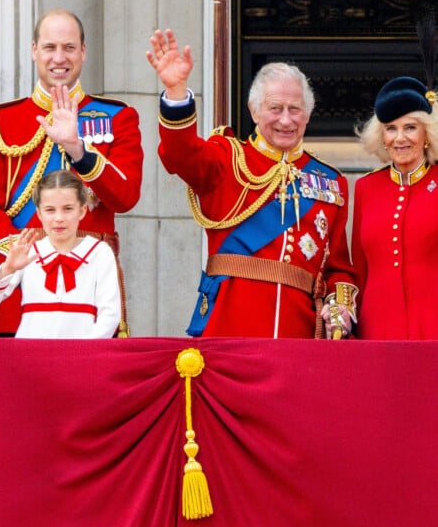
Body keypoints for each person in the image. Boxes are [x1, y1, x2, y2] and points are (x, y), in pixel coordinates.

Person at [146, 28, 357, 339]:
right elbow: (180, 154)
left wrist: (340, 307)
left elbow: (338, 268)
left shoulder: (331, 182)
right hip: (229, 330)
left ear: (308, 114)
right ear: (254, 111)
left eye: (295, 109)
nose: (286, 120)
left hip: (297, 336)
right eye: (275, 109)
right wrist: (176, 92)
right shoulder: (226, 159)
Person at [0, 9, 143, 337]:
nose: (59, 58)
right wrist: (28, 262)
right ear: (34, 50)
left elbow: (126, 196)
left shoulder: (118, 117)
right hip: (21, 294)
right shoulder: (0, 121)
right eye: (50, 47)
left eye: (69, 47)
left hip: (92, 285)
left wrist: (79, 151)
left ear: (84, 52)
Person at [0, 170, 121, 338]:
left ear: (82, 211)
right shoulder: (29, 252)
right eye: (50, 210)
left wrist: (84, 353)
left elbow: (110, 314)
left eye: (68, 209)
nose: (59, 218)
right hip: (31, 356)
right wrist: (7, 268)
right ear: (39, 213)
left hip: (81, 357)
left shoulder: (100, 252)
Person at [352, 76, 438, 339]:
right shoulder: (366, 188)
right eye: (391, 129)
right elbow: (359, 271)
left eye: (410, 127)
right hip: (377, 332)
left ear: (426, 134)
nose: (400, 138)